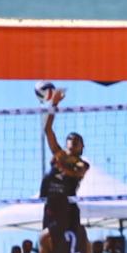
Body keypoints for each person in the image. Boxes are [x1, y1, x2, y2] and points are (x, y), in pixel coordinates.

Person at [39, 89, 89, 243]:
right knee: (45, 242)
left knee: (75, 241)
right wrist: (54, 104)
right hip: (51, 204)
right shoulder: (59, 154)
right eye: (70, 139)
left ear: (82, 146)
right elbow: (47, 130)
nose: (72, 140)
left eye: (76, 140)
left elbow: (78, 172)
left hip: (68, 206)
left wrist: (62, 166)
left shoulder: (82, 163)